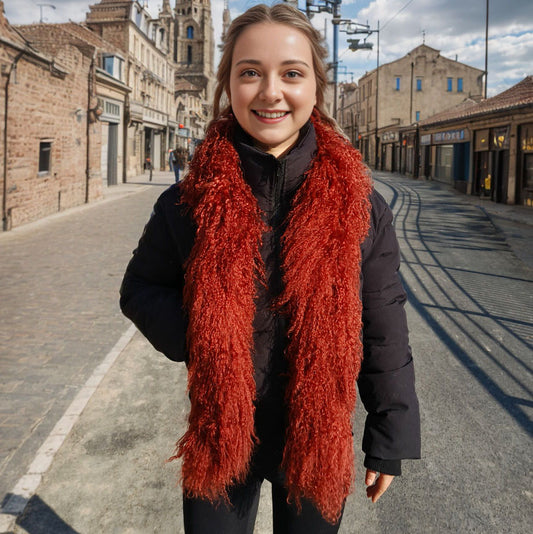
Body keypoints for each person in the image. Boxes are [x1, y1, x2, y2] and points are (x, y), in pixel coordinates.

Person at [120, 4, 420, 534]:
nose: (270, 91)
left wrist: (390, 434)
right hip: (220, 436)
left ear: (316, 89)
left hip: (316, 441)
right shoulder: (186, 203)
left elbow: (383, 321)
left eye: (291, 73)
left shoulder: (360, 207)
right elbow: (139, 289)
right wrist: (208, 335)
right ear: (227, 85)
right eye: (250, 72)